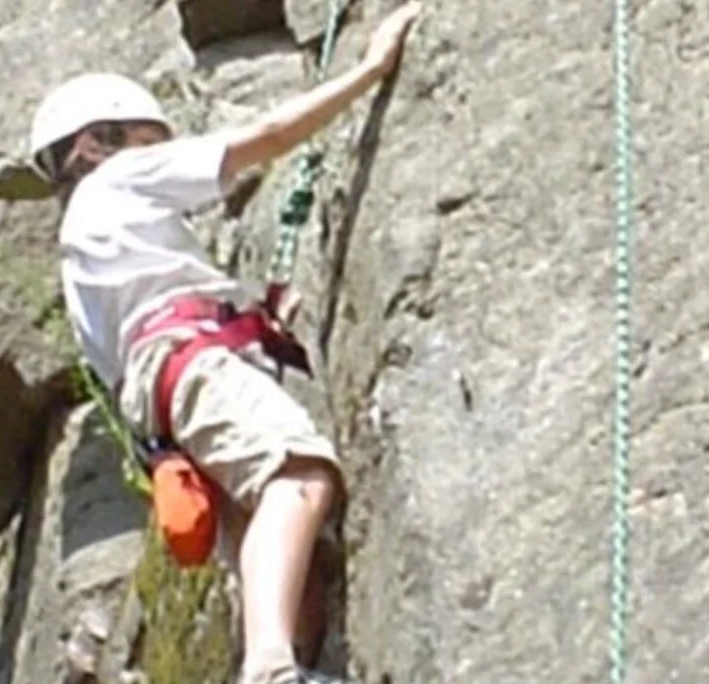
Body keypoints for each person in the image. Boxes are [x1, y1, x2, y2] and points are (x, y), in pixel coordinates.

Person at [26, 4, 422, 682]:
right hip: (188, 368)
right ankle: (270, 669)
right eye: (152, 138)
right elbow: (262, 139)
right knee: (298, 474)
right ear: (105, 138)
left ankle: (280, 661)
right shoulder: (118, 176)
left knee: (285, 568)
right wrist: (369, 69)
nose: (161, 149)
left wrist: (249, 319)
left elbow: (132, 355)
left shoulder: (81, 259)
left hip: (161, 413)